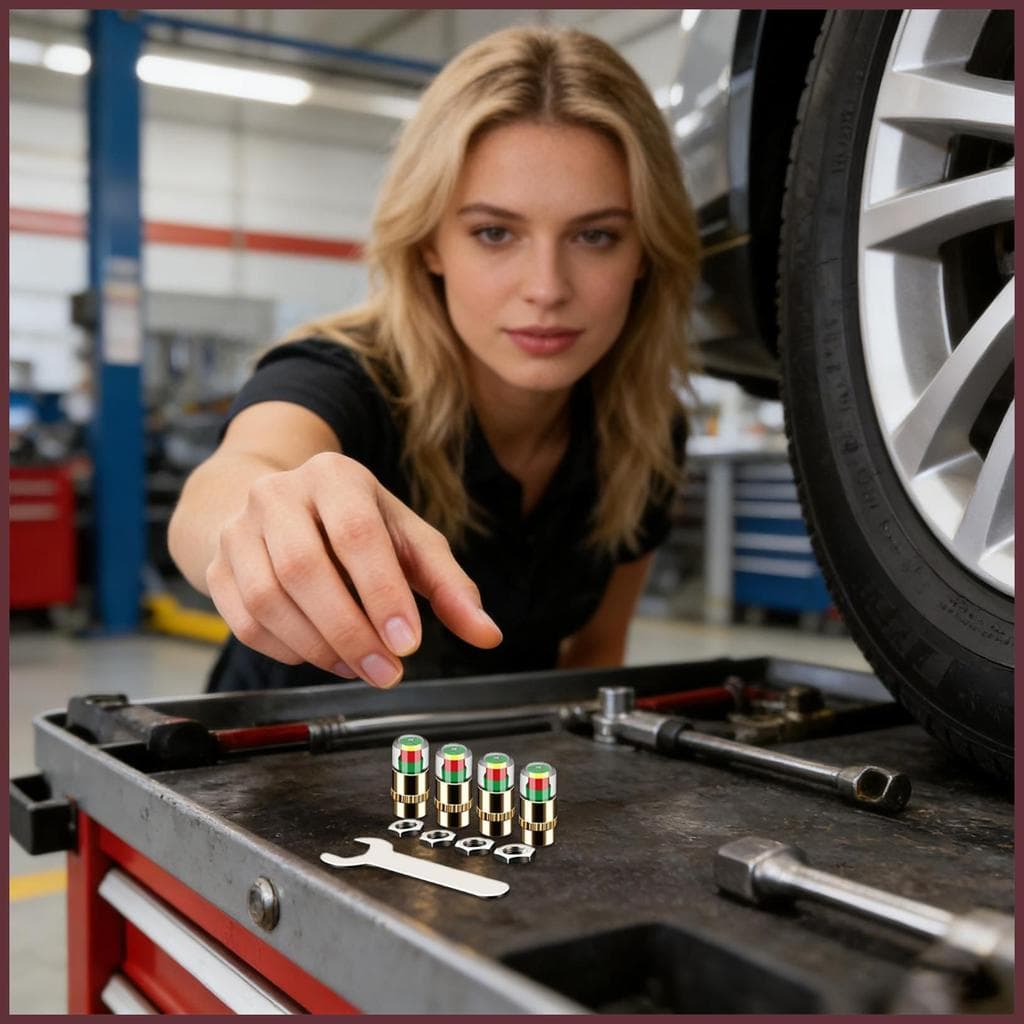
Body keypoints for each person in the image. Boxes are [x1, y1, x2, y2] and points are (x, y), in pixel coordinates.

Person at [168, 25, 699, 693]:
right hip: (278, 775)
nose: (547, 288)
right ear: (429, 245)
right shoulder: (341, 375)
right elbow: (231, 482)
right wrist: (257, 519)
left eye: (596, 236)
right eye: (494, 233)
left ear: (645, 251)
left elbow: (595, 653)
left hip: (493, 783)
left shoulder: (647, 432)